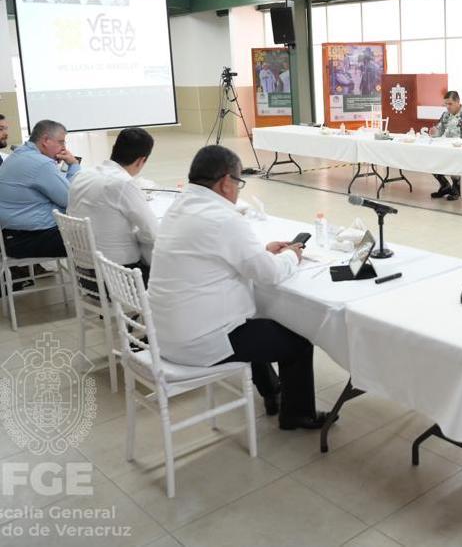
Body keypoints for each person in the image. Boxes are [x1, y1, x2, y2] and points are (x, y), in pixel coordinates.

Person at [148, 145, 328, 430]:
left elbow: (219, 257)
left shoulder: (179, 208)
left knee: (254, 324)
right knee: (298, 342)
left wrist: (263, 251)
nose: (239, 190)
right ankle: (297, 414)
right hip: (199, 343)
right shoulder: (224, 218)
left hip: (165, 333)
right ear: (226, 182)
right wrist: (291, 256)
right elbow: (268, 274)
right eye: (239, 182)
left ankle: (273, 392)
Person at [68, 128, 159, 285]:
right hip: (118, 279)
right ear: (141, 160)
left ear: (114, 150)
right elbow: (153, 233)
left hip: (83, 274)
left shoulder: (82, 176)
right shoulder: (122, 183)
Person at [0, 119, 80, 259]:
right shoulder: (40, 164)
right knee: (97, 238)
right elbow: (71, 199)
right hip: (29, 240)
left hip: (11, 237)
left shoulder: (18, 155)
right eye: (61, 142)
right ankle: (96, 280)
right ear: (46, 140)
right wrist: (73, 165)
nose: (64, 147)